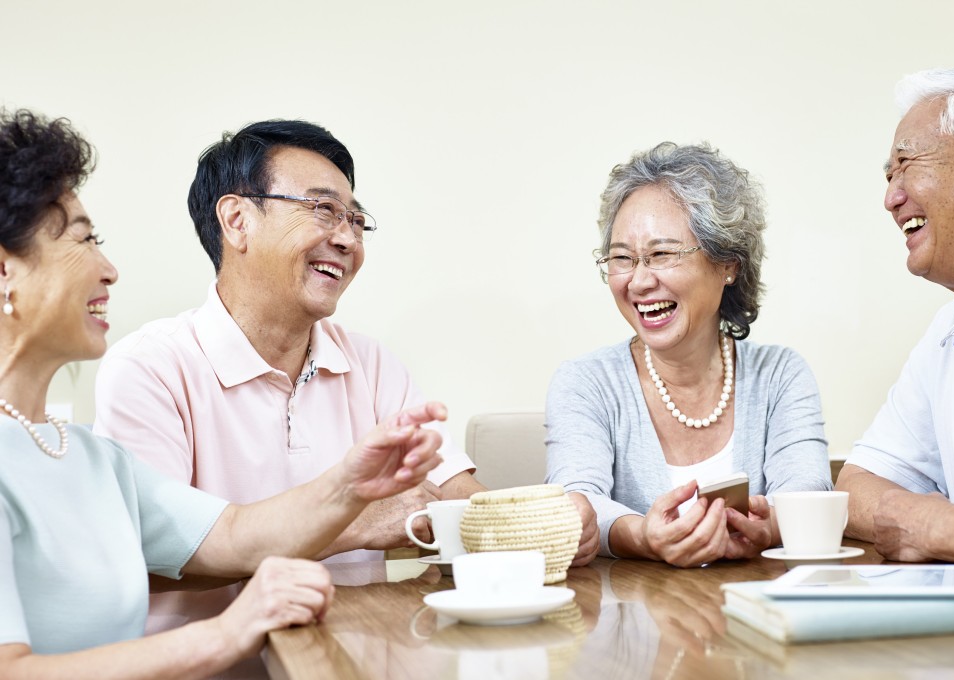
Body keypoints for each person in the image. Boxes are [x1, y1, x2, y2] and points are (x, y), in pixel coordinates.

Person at [0, 109, 445, 677]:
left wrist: (350, 483)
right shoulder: (147, 368)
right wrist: (229, 632)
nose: (109, 269)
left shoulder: (85, 455)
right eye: (84, 240)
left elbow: (229, 533)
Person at [90, 120, 488, 661]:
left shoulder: (371, 363)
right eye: (322, 210)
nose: (347, 238)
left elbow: (459, 499)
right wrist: (354, 523)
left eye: (355, 218)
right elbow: (149, 565)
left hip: (352, 660)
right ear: (237, 221)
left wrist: (565, 523)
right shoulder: (150, 368)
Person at [545, 142, 831, 568]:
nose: (639, 282)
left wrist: (768, 529)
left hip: (758, 617)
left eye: (661, 254)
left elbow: (805, 493)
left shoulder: (780, 375)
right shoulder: (584, 382)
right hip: (631, 622)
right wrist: (642, 536)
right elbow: (578, 503)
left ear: (727, 264)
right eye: (622, 258)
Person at [837, 56, 954, 563]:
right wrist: (945, 524)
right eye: (888, 174)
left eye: (907, 165)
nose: (890, 198)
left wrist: (943, 528)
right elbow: (856, 486)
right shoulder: (949, 333)